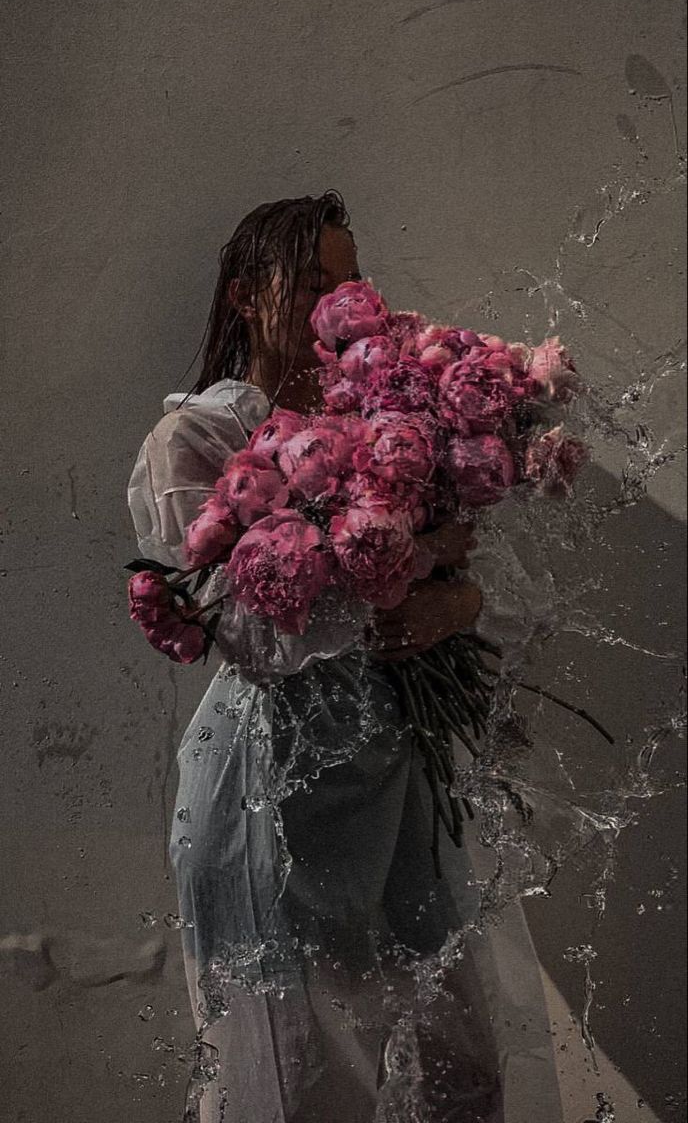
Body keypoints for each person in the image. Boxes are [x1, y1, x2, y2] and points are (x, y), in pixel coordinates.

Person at [127, 191, 563, 1122]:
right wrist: (405, 578)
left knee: (463, 1072)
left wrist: (461, 597)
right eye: (315, 281)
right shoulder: (199, 439)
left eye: (352, 281)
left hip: (398, 768)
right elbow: (243, 629)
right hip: (269, 781)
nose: (339, 300)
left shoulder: (397, 419)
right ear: (248, 296)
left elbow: (487, 582)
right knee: (300, 1083)